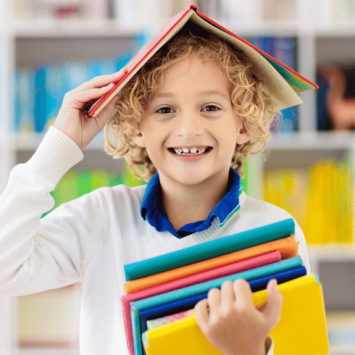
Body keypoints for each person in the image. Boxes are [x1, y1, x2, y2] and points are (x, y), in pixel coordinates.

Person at [0, 26, 310, 355]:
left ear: (243, 124)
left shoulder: (276, 233)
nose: (188, 129)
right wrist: (60, 145)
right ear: (136, 128)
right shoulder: (101, 217)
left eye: (210, 108)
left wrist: (248, 349)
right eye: (164, 110)